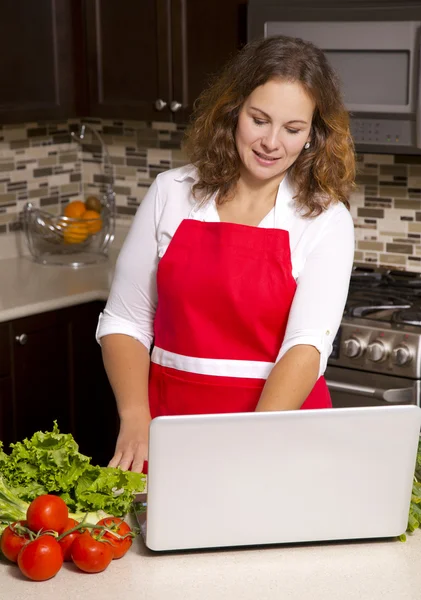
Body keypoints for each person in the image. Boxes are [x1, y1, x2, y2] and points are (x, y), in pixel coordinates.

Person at [96, 35, 356, 473]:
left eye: (293, 129)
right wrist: (135, 416)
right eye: (259, 120)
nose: (272, 142)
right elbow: (125, 321)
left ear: (313, 134)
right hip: (171, 428)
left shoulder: (325, 220)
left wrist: (250, 447)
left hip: (277, 431)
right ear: (233, 111)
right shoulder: (171, 193)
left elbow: (306, 348)